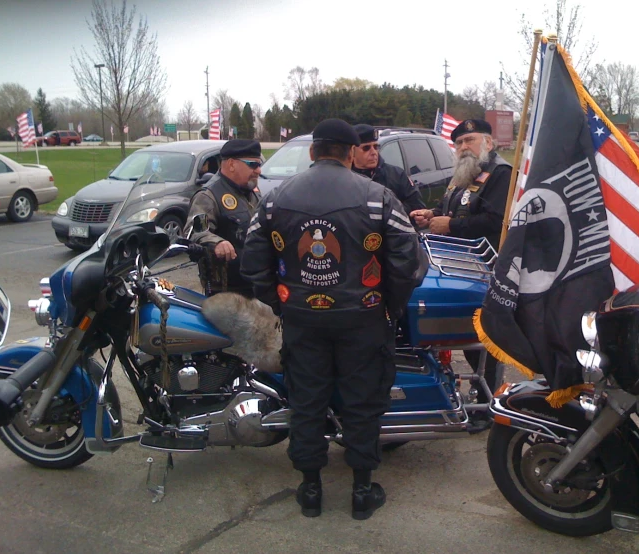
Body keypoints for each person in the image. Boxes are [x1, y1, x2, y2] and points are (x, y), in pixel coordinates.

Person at [241, 119, 421, 520]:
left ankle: (310, 491)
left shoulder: (273, 199)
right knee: (363, 401)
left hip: (303, 320)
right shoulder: (379, 197)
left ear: (312, 151)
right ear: (351, 153)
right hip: (364, 319)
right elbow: (408, 263)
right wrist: (388, 307)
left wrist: (284, 302)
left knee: (306, 401)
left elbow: (252, 263)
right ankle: (361, 491)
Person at [410, 119, 512, 405]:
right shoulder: (464, 173)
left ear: (488, 143)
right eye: (459, 143)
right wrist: (431, 215)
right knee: (466, 336)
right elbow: (449, 208)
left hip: (487, 269)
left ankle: (488, 403)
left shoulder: (500, 174)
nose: (464, 147)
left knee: (483, 341)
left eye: (470, 140)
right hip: (460, 267)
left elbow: (496, 221)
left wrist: (451, 225)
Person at [184, 139, 263, 297]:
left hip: (255, 284)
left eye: (259, 164)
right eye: (252, 165)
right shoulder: (208, 196)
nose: (259, 170)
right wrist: (217, 242)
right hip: (227, 291)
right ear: (232, 164)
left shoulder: (252, 191)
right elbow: (194, 232)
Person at [351, 124, 426, 220]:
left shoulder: (396, 174)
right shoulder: (345, 178)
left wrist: (388, 212)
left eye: (375, 147)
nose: (373, 152)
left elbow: (417, 207)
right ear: (352, 151)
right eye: (366, 148)